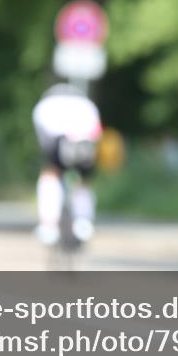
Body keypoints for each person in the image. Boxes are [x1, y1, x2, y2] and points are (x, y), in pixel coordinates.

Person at [31, 83, 103, 246]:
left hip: (56, 136)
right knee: (84, 180)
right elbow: (96, 133)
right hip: (85, 138)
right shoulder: (87, 105)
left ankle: (48, 226)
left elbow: (43, 141)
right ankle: (84, 222)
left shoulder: (43, 107)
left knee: (50, 173)